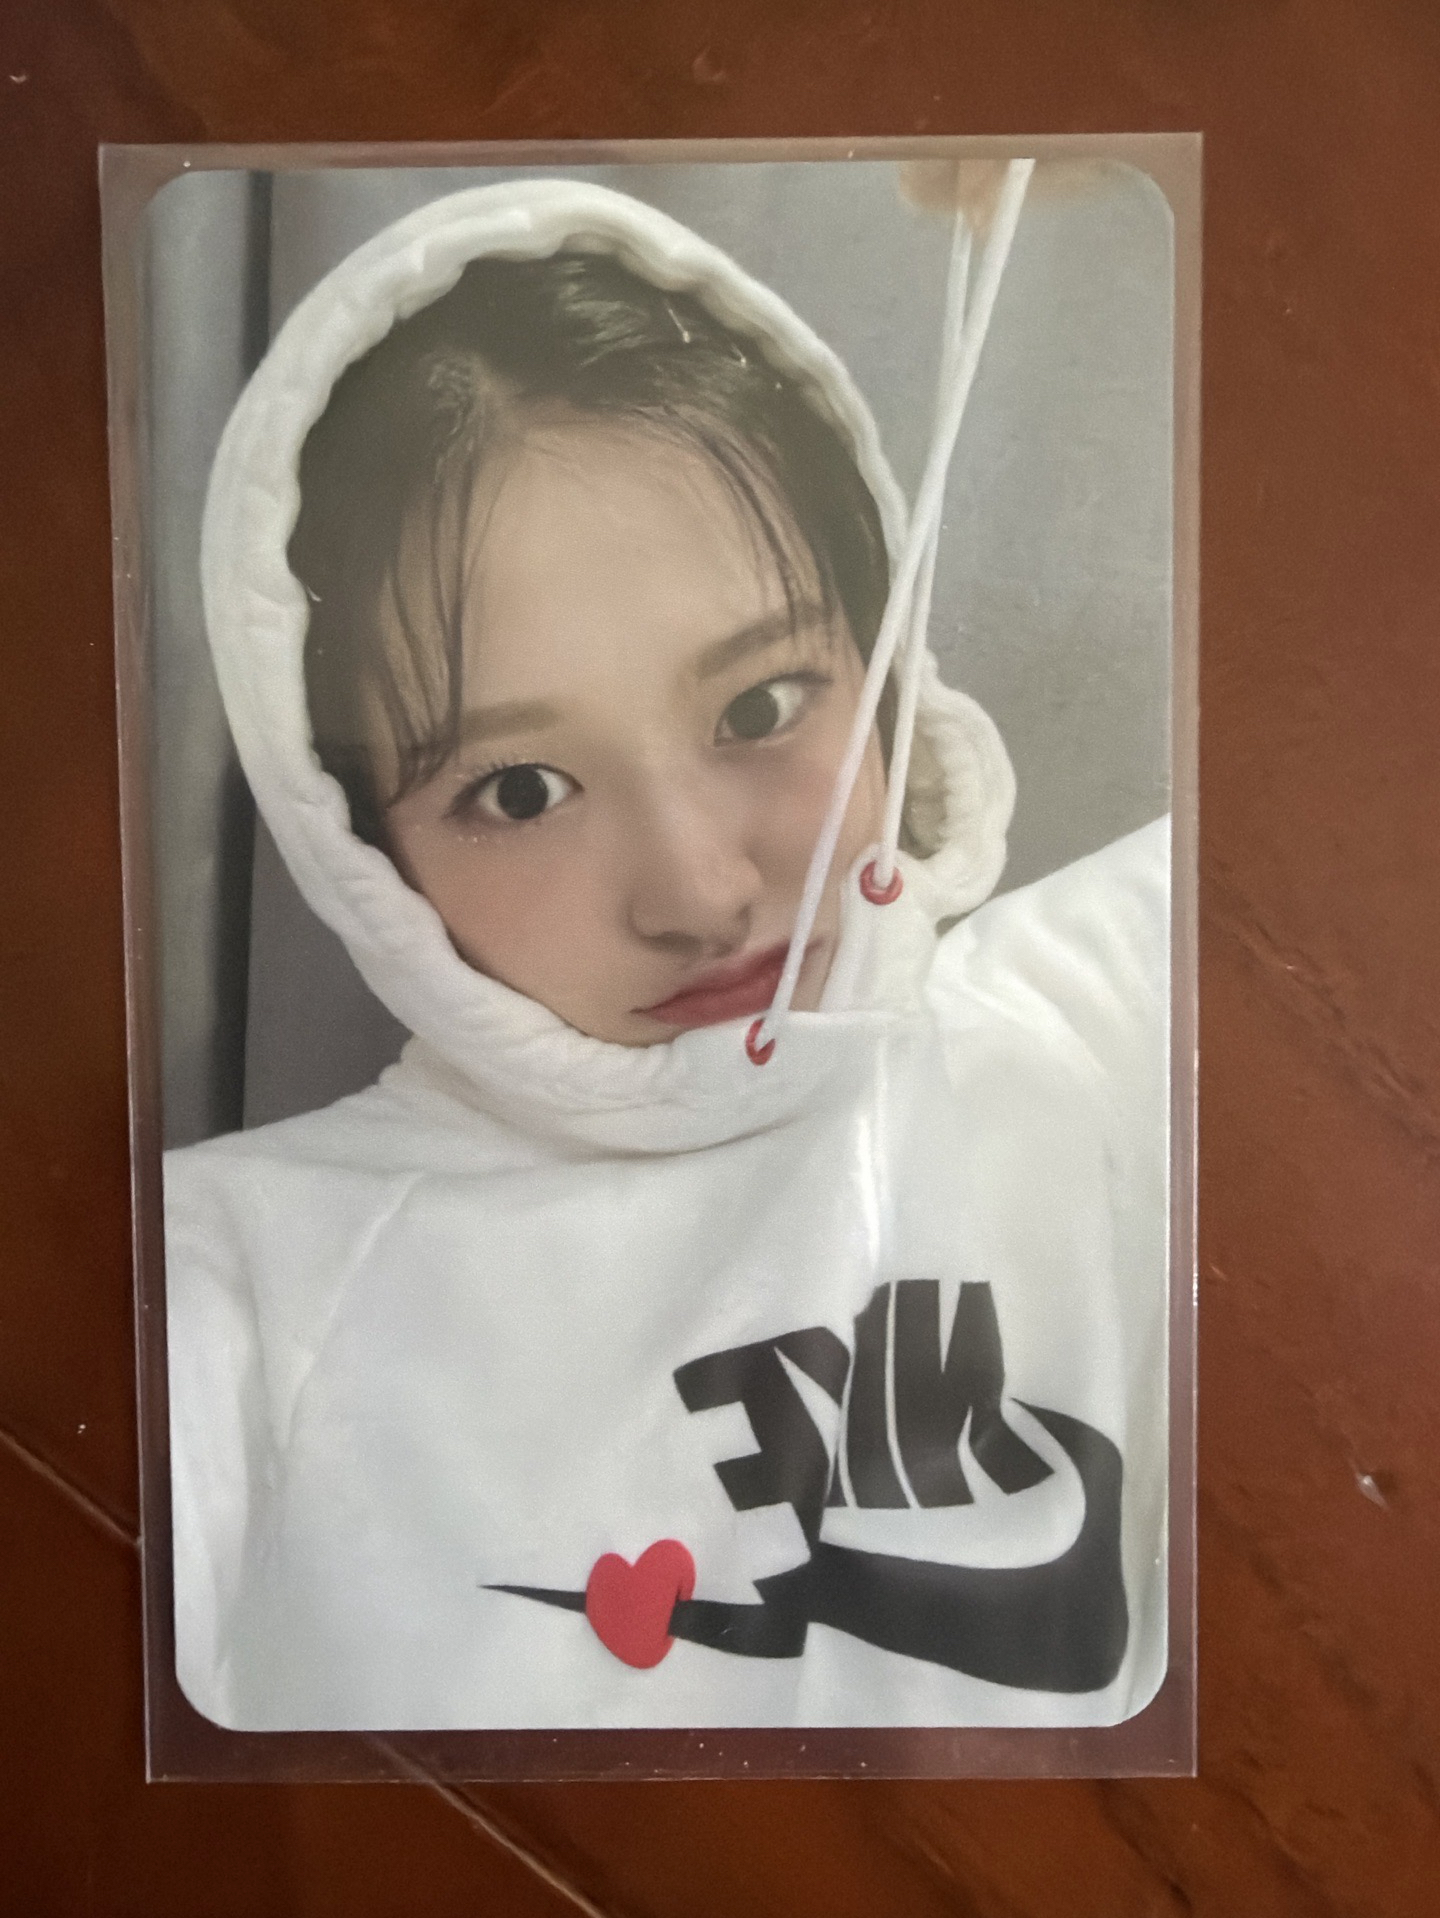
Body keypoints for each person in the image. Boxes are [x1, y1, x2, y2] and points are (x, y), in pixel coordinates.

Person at [167, 173, 1171, 1733]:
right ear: (358, 842)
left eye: (762, 705)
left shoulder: (1123, 1028)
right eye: (520, 790)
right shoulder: (215, 1289)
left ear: (885, 661)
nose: (700, 892)